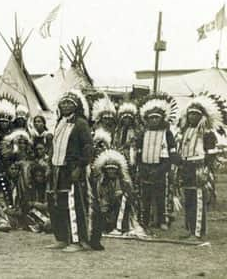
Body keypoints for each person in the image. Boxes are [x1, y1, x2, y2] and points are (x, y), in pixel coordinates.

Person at [46, 90, 98, 253]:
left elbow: (88, 148)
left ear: (76, 106)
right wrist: (50, 163)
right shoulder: (59, 122)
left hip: (72, 169)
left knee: (73, 205)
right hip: (57, 170)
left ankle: (77, 241)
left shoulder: (81, 124)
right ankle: (62, 238)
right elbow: (54, 147)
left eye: (69, 103)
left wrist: (80, 167)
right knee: (57, 205)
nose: (66, 105)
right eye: (63, 103)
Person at [177, 94, 225, 240]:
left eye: (195, 114)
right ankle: (190, 229)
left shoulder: (207, 133)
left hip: (199, 169)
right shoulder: (185, 131)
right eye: (190, 114)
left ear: (202, 116)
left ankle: (197, 232)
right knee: (188, 199)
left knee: (198, 200)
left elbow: (211, 154)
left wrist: (205, 170)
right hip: (186, 168)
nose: (192, 117)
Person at [135, 94, 178, 231]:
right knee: (145, 196)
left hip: (161, 168)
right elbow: (139, 152)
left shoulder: (167, 134)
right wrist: (141, 168)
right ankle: (145, 220)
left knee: (161, 196)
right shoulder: (143, 134)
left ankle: (162, 220)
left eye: (156, 118)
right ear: (147, 119)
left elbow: (172, 153)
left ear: (161, 119)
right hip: (145, 168)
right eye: (151, 118)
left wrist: (162, 170)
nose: (154, 120)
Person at [91, 149, 134, 235]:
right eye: (109, 169)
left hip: (119, 208)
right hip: (105, 208)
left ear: (117, 170)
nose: (111, 171)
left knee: (123, 200)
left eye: (113, 169)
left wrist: (119, 196)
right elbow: (98, 195)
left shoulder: (124, 182)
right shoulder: (101, 182)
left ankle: (119, 227)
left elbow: (129, 198)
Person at [0, 156, 24, 232]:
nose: (14, 171)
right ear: (7, 169)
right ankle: (0, 222)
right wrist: (4, 207)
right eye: (12, 169)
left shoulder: (20, 181)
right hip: (1, 206)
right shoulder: (0, 179)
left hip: (13, 209)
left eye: (16, 169)